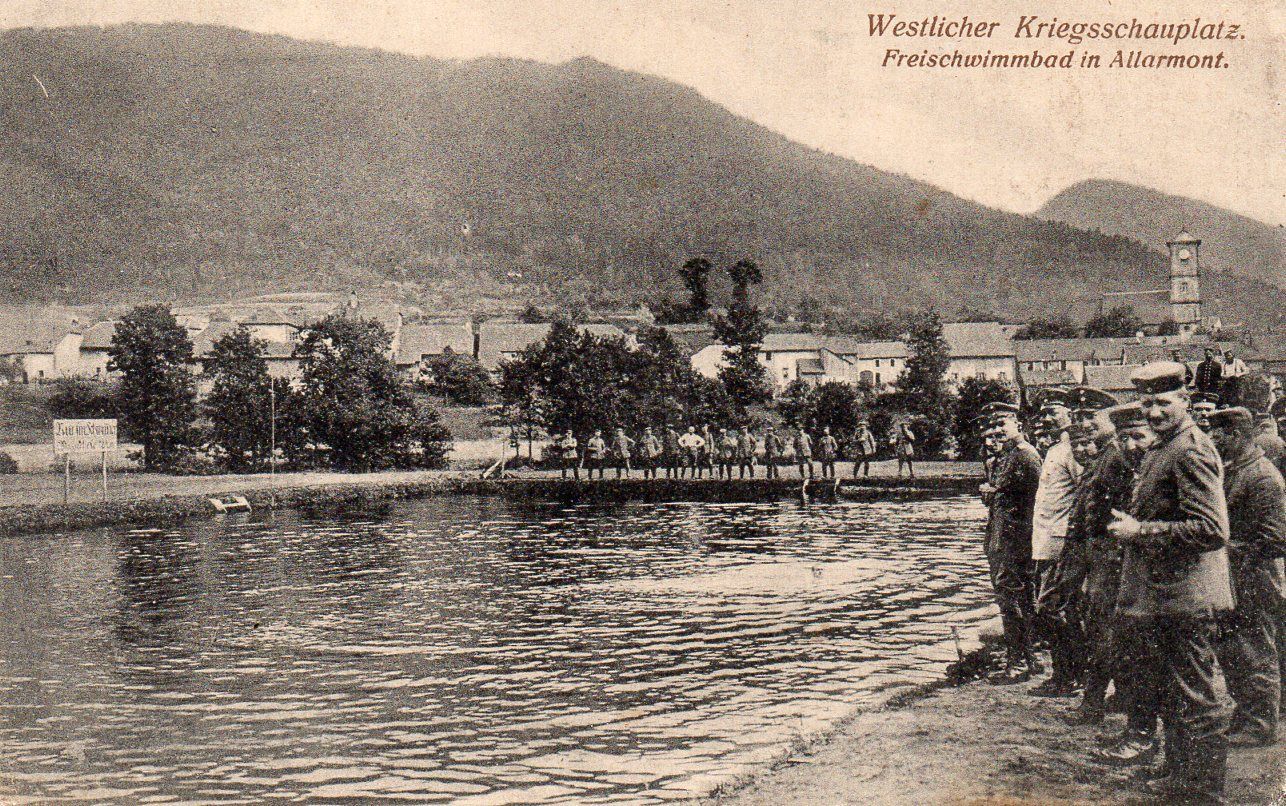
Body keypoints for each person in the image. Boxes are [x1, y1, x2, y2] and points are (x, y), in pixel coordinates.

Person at [1107, 361, 1234, 803]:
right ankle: (1182, 776)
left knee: (1196, 696)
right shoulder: (1166, 446)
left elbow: (1211, 530)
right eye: (1147, 403)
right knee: (1171, 689)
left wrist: (1140, 531)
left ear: (1185, 401)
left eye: (1163, 402)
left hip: (1186, 595)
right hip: (1163, 594)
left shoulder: (1191, 449)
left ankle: (1203, 792)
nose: (1154, 411)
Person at [1208, 407, 1285, 747]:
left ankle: (1261, 724)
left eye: (1219, 434)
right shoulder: (1236, 470)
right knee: (1235, 651)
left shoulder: (1263, 477)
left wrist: (1224, 548)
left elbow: (1274, 540)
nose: (1214, 440)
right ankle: (1247, 713)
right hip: (1235, 577)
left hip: (1255, 579)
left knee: (1255, 650)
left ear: (1237, 436)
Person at [1092, 403, 1163, 764]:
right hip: (1126, 575)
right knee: (1131, 653)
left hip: (1161, 581)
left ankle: (1146, 738)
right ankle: (1139, 732)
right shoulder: (1127, 471)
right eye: (1125, 438)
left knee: (1152, 659)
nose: (1132, 445)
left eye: (1140, 436)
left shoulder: (1167, 469)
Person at [977, 402, 1043, 684]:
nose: (997, 431)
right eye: (993, 426)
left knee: (1013, 599)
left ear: (1018, 424)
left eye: (1003, 424)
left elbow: (1037, 501)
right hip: (1001, 536)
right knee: (1015, 598)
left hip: (1016, 540)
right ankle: (1029, 658)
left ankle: (1017, 663)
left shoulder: (1026, 456)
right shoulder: (1005, 457)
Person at [1030, 389, 1084, 698]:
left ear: (1069, 415)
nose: (1047, 418)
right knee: (1051, 609)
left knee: (1054, 609)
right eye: (1044, 413)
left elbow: (1084, 493)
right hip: (1047, 541)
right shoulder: (1054, 450)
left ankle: (1069, 676)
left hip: (1062, 542)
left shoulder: (1072, 450)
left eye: (1054, 412)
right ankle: (1065, 674)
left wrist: (1071, 538)